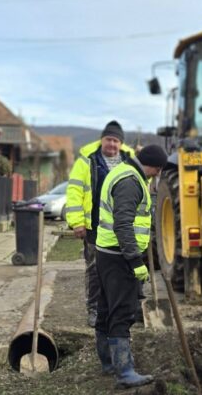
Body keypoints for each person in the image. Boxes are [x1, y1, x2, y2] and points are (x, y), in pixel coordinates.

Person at [94, 144, 167, 389]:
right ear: (153, 166)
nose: (156, 175)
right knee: (122, 312)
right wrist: (136, 262)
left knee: (106, 308)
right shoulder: (131, 182)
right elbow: (123, 224)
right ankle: (124, 372)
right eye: (157, 170)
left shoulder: (122, 171)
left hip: (106, 253)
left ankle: (108, 363)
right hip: (119, 256)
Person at [64, 120, 135, 327]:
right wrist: (77, 222)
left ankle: (119, 309)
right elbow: (75, 191)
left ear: (121, 143)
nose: (112, 145)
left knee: (123, 268)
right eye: (109, 140)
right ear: (102, 140)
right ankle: (94, 309)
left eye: (116, 141)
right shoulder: (87, 161)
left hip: (122, 227)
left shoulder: (130, 161)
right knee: (95, 269)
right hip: (95, 226)